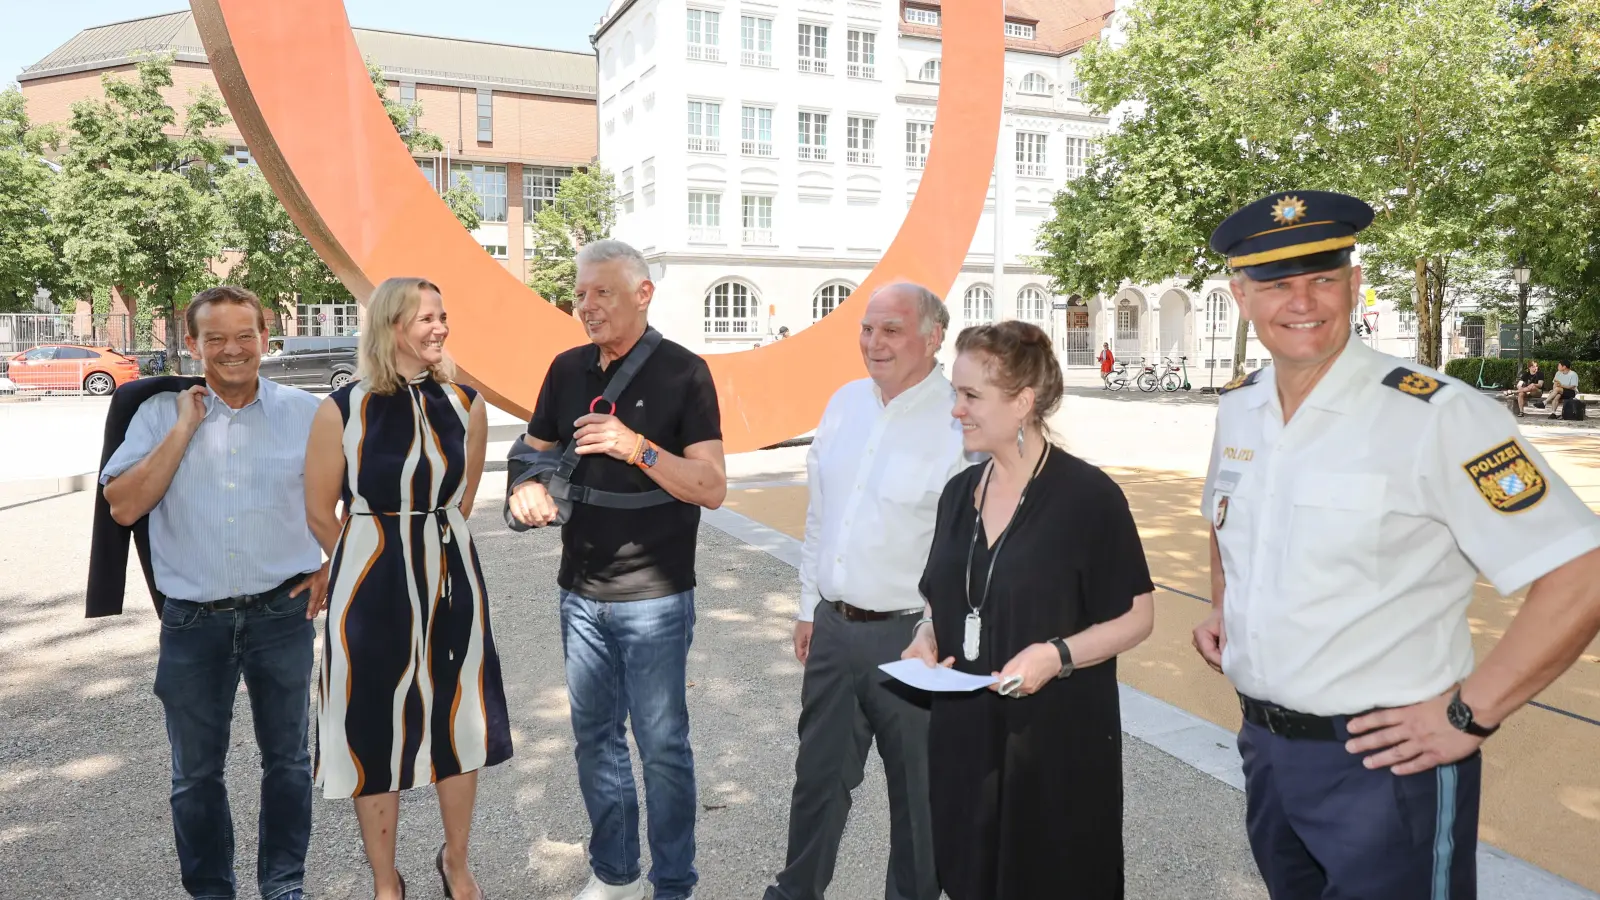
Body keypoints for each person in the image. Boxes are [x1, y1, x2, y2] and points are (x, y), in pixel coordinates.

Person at [1194, 190, 1600, 898]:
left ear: (1355, 285)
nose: (1303, 301)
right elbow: (1226, 524)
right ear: (1241, 295)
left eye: (1323, 278)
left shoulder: (1438, 415)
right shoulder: (1241, 406)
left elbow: (1581, 569)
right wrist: (1225, 607)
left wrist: (1472, 712)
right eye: (1278, 284)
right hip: (1264, 750)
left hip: (1387, 768)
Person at [902, 320, 1156, 900]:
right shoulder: (958, 493)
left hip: (1053, 745)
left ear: (1022, 402)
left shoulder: (1088, 498)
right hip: (964, 740)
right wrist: (924, 635)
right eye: (955, 394)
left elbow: (1138, 617)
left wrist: (1057, 654)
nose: (955, 411)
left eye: (971, 396)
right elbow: (940, 598)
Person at [508, 240, 726, 900]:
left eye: (602, 292)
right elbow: (532, 450)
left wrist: (639, 450)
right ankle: (616, 874)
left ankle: (674, 884)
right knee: (595, 741)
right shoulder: (565, 368)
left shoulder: (685, 374)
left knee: (662, 750)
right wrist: (526, 486)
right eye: (580, 294)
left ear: (642, 294)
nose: (586, 305)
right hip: (580, 594)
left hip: (655, 597)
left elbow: (711, 485)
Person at [100, 285, 325, 900]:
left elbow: (355, 500)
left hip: (283, 614)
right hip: (192, 623)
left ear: (264, 338)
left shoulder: (307, 413)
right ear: (193, 344)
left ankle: (283, 887)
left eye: (245, 335)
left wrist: (330, 565)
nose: (233, 350)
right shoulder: (156, 413)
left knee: (288, 764)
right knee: (195, 776)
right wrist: (184, 429)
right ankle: (211, 891)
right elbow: (122, 507)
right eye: (217, 338)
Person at [304, 277, 511, 900]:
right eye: (427, 318)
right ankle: (385, 879)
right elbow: (319, 511)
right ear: (392, 324)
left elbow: (465, 498)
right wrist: (370, 561)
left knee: (459, 717)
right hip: (369, 580)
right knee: (371, 721)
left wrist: (427, 546)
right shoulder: (341, 407)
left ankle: (457, 861)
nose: (441, 327)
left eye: (443, 316)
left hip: (451, 575)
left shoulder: (465, 401)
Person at [763, 283, 970, 900]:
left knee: (921, 799)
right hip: (833, 631)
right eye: (866, 329)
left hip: (913, 641)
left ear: (933, 338)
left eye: (892, 330)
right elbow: (822, 516)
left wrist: (939, 632)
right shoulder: (845, 403)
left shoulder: (958, 418)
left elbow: (966, 548)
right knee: (817, 783)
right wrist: (808, 608)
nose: (874, 343)